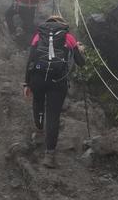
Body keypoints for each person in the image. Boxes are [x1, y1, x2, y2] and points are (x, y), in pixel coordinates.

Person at [23, 15, 85, 168]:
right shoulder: (68, 37)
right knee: (53, 115)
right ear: (61, 24)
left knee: (38, 102)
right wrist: (80, 49)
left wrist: (26, 83)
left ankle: (38, 131)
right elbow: (81, 63)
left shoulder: (39, 35)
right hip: (58, 81)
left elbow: (30, 60)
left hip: (37, 78)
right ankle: (49, 155)